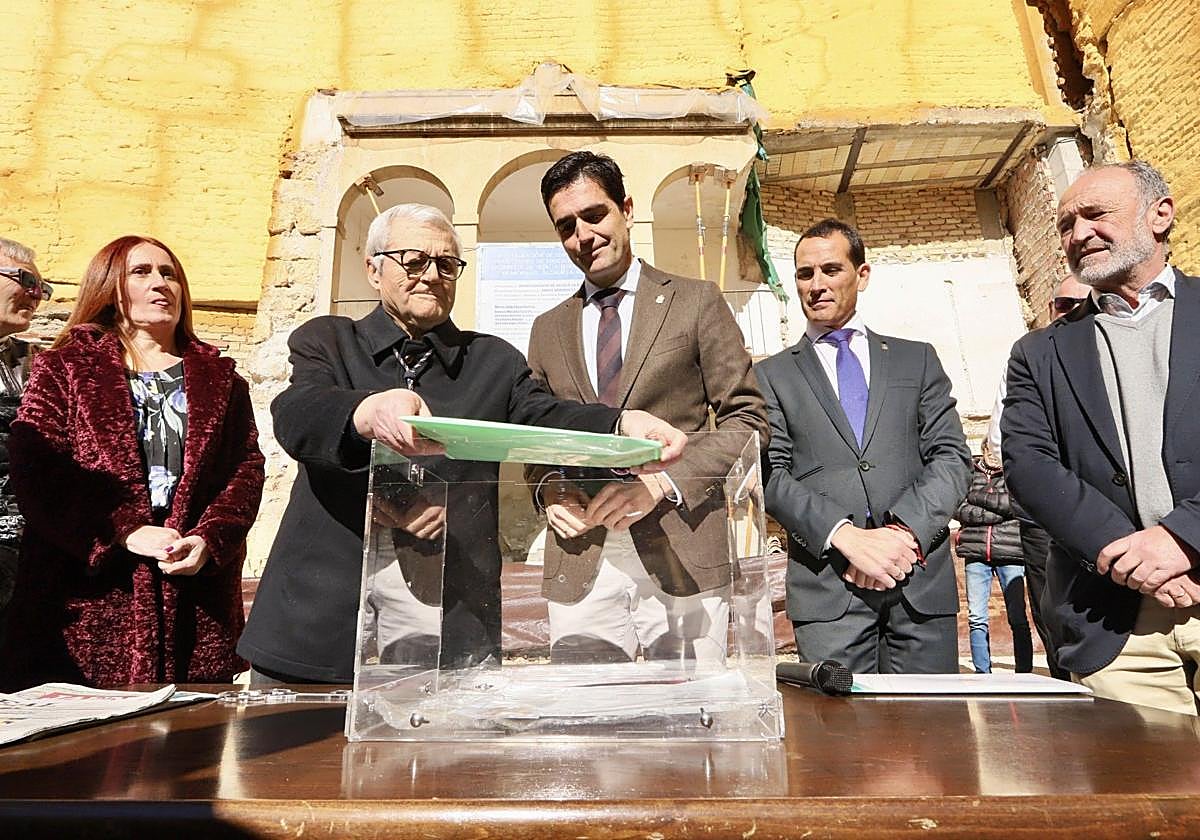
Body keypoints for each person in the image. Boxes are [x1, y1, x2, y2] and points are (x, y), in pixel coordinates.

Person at [237, 203, 686, 684]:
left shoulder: (491, 362)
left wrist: (622, 424)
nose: (431, 275)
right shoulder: (328, 341)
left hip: (451, 626)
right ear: (373, 269)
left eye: (447, 264)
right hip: (320, 614)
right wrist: (366, 413)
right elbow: (297, 413)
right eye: (413, 261)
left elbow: (547, 416)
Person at [526, 151, 768, 663]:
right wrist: (550, 493)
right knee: (587, 722)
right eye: (566, 226)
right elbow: (536, 437)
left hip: (683, 549)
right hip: (582, 555)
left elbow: (748, 422)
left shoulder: (697, 301)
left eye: (595, 215)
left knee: (689, 717)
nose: (583, 236)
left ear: (627, 209)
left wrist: (662, 483)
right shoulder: (547, 329)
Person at [2, 236, 265, 689]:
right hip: (91, 587)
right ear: (110, 287)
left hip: (191, 587)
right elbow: (39, 471)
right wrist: (123, 530)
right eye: (141, 273)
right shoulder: (65, 367)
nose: (161, 284)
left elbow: (245, 469)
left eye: (169, 274)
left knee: (187, 745)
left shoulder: (222, 379)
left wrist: (209, 539)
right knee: (84, 750)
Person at [1003, 161, 1200, 715]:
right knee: (1152, 797)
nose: (1078, 234)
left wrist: (1182, 538)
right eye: (1066, 225)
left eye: (1095, 215)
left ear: (1160, 215)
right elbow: (1029, 466)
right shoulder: (1040, 353)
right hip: (1115, 627)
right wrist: (1127, 554)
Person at [755, 219, 970, 673]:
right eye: (804, 273)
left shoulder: (917, 359)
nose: (816, 285)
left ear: (863, 274)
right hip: (830, 590)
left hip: (918, 583)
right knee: (839, 739)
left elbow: (951, 457)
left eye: (831, 270)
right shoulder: (769, 377)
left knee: (932, 733)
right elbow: (770, 473)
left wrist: (903, 534)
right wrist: (846, 537)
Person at [985, 274, 1091, 680]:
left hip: (1110, 521)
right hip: (1043, 519)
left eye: (1079, 304)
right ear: (1049, 309)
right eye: (1062, 304)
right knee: (1049, 606)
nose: (1070, 312)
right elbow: (999, 443)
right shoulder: (1026, 362)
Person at [0, 237, 52, 617]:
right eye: (28, 282)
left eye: (43, 289)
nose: (37, 297)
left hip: (27, 553)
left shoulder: (33, 363)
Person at [955, 439, 1033, 673]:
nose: (996, 455)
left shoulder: (1015, 473)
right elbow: (957, 508)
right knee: (976, 617)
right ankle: (983, 672)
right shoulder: (969, 473)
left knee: (1017, 616)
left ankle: (1024, 671)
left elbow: (1015, 505)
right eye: (992, 450)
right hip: (976, 553)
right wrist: (996, 513)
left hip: (1010, 553)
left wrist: (977, 499)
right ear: (985, 449)